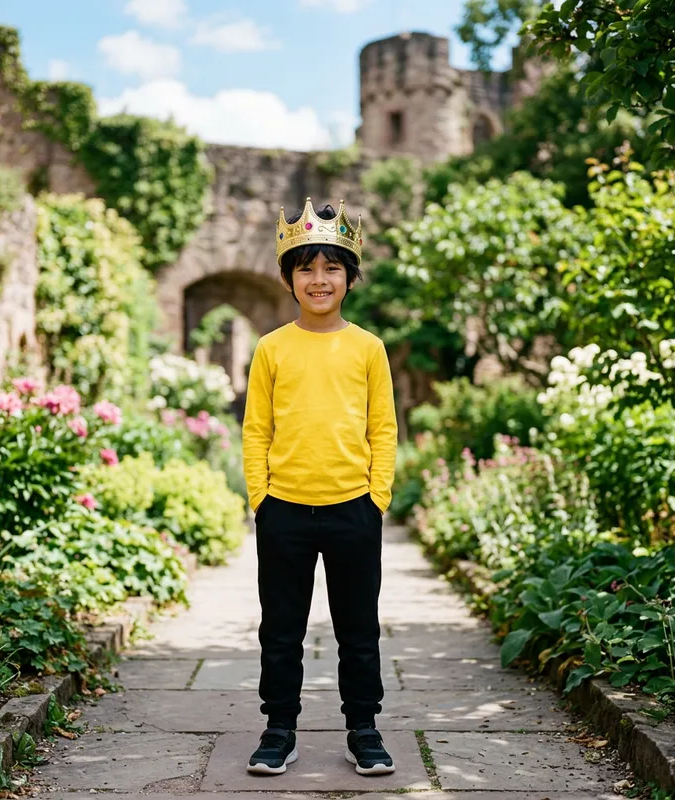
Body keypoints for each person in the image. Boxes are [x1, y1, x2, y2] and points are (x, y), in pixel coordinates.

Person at [242, 198, 398, 776]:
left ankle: (364, 728)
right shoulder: (271, 348)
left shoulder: (368, 348)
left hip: (353, 509)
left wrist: (375, 497)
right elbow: (256, 428)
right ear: (289, 278)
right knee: (281, 629)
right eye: (306, 268)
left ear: (349, 277)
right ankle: (279, 728)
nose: (319, 279)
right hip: (283, 509)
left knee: (358, 629)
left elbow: (382, 428)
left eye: (332, 267)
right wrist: (261, 498)